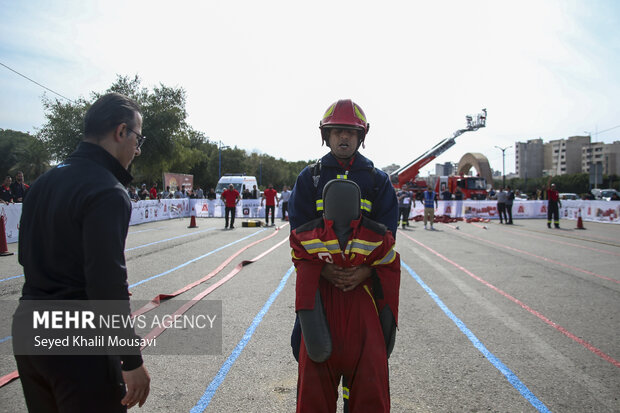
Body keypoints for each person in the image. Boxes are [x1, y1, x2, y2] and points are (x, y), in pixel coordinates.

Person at [12, 92, 150, 412]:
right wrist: (130, 359)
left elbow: (26, 259)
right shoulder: (107, 191)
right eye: (138, 139)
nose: (137, 150)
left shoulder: (42, 183)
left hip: (27, 327)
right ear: (121, 132)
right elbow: (106, 282)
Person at [288, 99, 399, 410]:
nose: (344, 137)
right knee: (313, 377)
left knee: (367, 383)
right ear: (326, 135)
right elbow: (297, 233)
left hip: (362, 292)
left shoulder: (378, 181)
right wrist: (324, 271)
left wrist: (365, 272)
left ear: (361, 136)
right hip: (320, 294)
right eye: (336, 131)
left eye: (350, 131)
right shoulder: (309, 178)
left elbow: (389, 237)